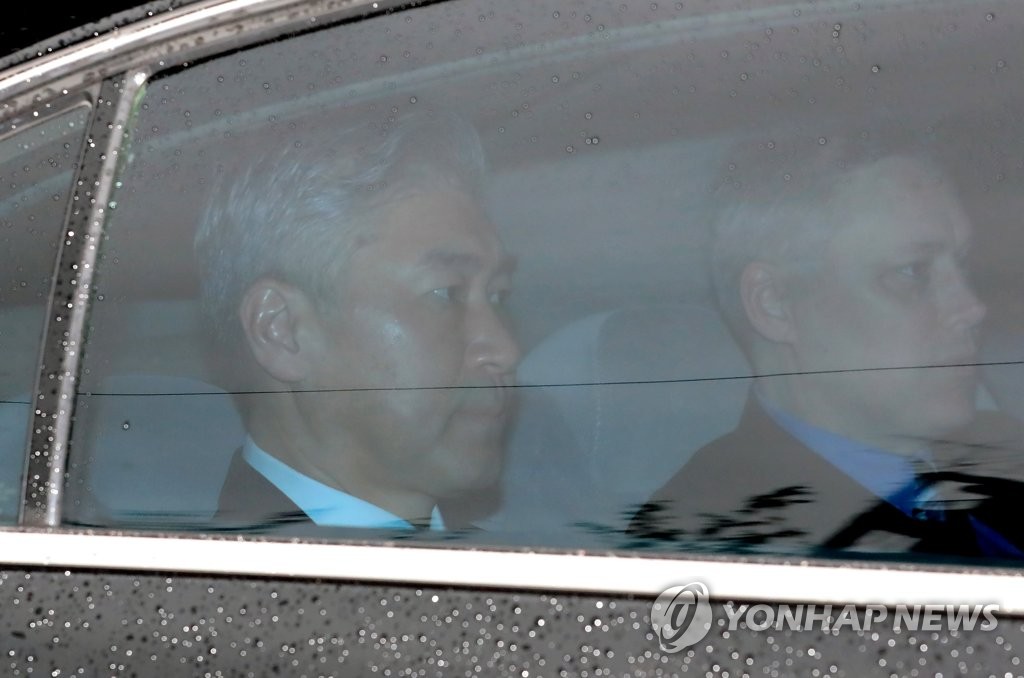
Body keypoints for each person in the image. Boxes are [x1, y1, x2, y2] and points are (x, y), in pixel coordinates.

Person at [629, 137, 1024, 557]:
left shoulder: (1004, 448)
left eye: (963, 265)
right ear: (775, 303)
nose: (972, 308)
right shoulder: (711, 544)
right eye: (911, 272)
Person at [194, 113, 520, 535]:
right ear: (283, 330)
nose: (505, 349)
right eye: (445, 293)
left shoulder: (521, 558)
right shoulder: (224, 574)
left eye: (498, 296)